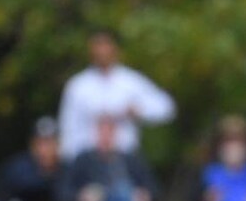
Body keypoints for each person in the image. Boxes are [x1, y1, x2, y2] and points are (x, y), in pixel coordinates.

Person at [57, 29, 175, 160]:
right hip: (88, 161)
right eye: (98, 46)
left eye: (106, 45)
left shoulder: (131, 81)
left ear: (115, 49)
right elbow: (67, 127)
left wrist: (138, 111)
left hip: (125, 158)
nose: (102, 51)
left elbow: (166, 108)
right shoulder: (78, 86)